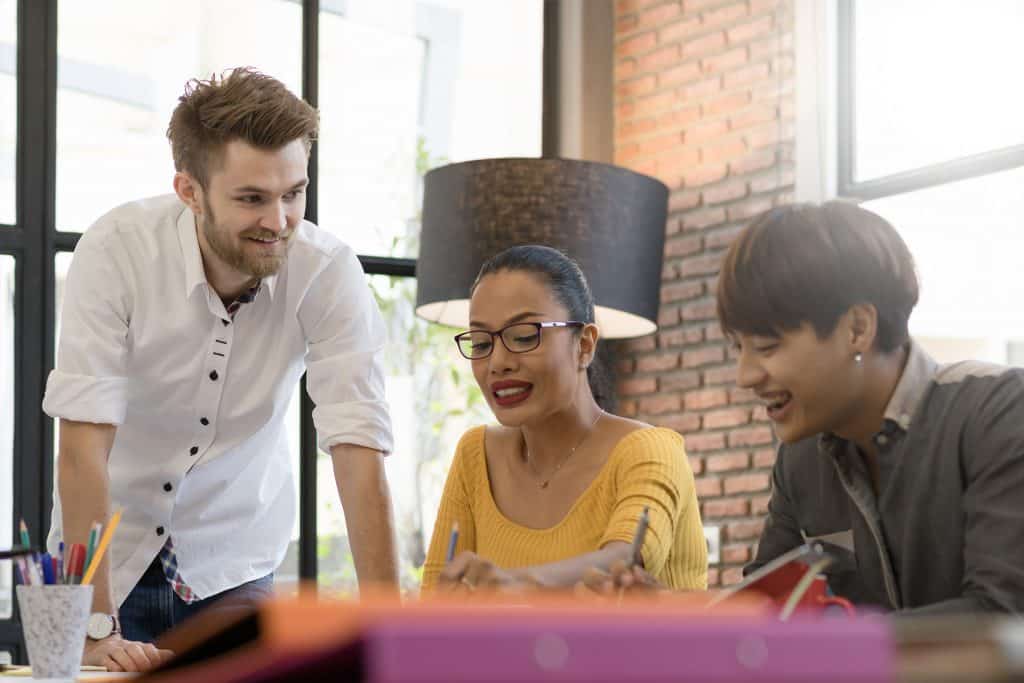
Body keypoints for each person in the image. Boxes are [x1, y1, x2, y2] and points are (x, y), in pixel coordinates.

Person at [43, 68, 399, 672]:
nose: (279, 220)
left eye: (294, 193)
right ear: (189, 190)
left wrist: (392, 637)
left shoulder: (327, 271)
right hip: (102, 561)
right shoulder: (115, 251)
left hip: (233, 563)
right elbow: (81, 451)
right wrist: (94, 626)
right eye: (252, 199)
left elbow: (358, 449)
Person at [588, 201, 1024, 615]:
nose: (745, 376)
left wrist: (825, 637)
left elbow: (1001, 614)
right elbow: (767, 609)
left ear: (857, 328)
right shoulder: (800, 460)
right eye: (739, 348)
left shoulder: (998, 411)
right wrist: (665, 607)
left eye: (766, 346)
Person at [419, 245, 707, 594]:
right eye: (481, 344)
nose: (498, 363)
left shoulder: (650, 450)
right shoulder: (475, 455)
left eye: (524, 337)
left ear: (584, 345)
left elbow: (624, 562)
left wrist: (519, 583)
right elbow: (435, 598)